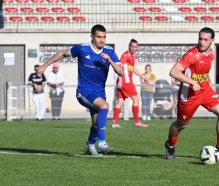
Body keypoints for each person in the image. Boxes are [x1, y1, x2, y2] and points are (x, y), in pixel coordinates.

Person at [37, 24, 124, 156]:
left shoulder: (109, 52)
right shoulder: (82, 49)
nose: (102, 40)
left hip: (99, 93)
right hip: (84, 92)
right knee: (104, 106)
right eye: (99, 37)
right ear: (92, 37)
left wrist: (110, 60)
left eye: (104, 37)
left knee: (96, 124)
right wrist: (44, 66)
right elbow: (62, 54)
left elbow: (122, 72)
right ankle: (102, 143)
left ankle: (90, 144)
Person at [164, 27, 219, 159]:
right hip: (188, 95)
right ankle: (170, 145)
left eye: (205, 39)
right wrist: (192, 82)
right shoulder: (191, 55)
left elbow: (204, 72)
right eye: (200, 39)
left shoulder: (211, 54)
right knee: (182, 124)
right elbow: (174, 72)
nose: (202, 42)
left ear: (212, 41)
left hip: (205, 91)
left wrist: (208, 84)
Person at [112, 38, 149, 128]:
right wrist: (120, 80)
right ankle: (136, 121)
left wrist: (142, 76)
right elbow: (120, 67)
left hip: (124, 81)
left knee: (120, 102)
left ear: (137, 48)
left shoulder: (132, 56)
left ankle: (114, 123)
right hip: (125, 81)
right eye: (132, 46)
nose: (133, 48)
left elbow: (133, 68)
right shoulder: (126, 55)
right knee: (136, 100)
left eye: (135, 47)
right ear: (129, 46)